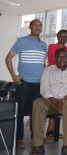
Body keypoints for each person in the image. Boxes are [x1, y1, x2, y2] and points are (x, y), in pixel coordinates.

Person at [5, 19, 47, 148]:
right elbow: (8, 58)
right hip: (24, 83)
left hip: (39, 84)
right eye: (35, 25)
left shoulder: (44, 44)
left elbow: (43, 63)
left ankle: (37, 137)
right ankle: (18, 139)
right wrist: (14, 76)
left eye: (39, 25)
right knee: (21, 111)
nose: (37, 27)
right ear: (30, 27)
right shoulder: (22, 41)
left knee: (37, 112)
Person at [30, 49, 67, 155]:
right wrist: (54, 100)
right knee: (37, 103)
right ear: (55, 59)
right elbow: (44, 87)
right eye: (59, 57)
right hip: (51, 100)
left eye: (64, 57)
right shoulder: (48, 70)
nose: (62, 59)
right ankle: (38, 146)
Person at [46, 29, 67, 139]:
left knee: (61, 102)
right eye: (61, 35)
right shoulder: (51, 47)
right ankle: (50, 130)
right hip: (51, 76)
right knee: (52, 101)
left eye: (65, 36)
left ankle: (54, 131)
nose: (63, 38)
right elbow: (55, 60)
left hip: (62, 77)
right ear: (57, 36)